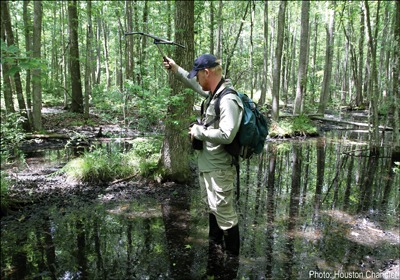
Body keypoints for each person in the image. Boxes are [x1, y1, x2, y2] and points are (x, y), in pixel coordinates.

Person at [163, 54, 243, 278]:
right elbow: (190, 82)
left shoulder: (227, 99)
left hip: (220, 168)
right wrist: (175, 68)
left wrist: (200, 132)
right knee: (213, 209)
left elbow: (227, 134)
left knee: (225, 215)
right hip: (208, 166)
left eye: (198, 74)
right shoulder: (212, 94)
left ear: (207, 72)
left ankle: (231, 265)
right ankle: (215, 254)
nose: (196, 79)